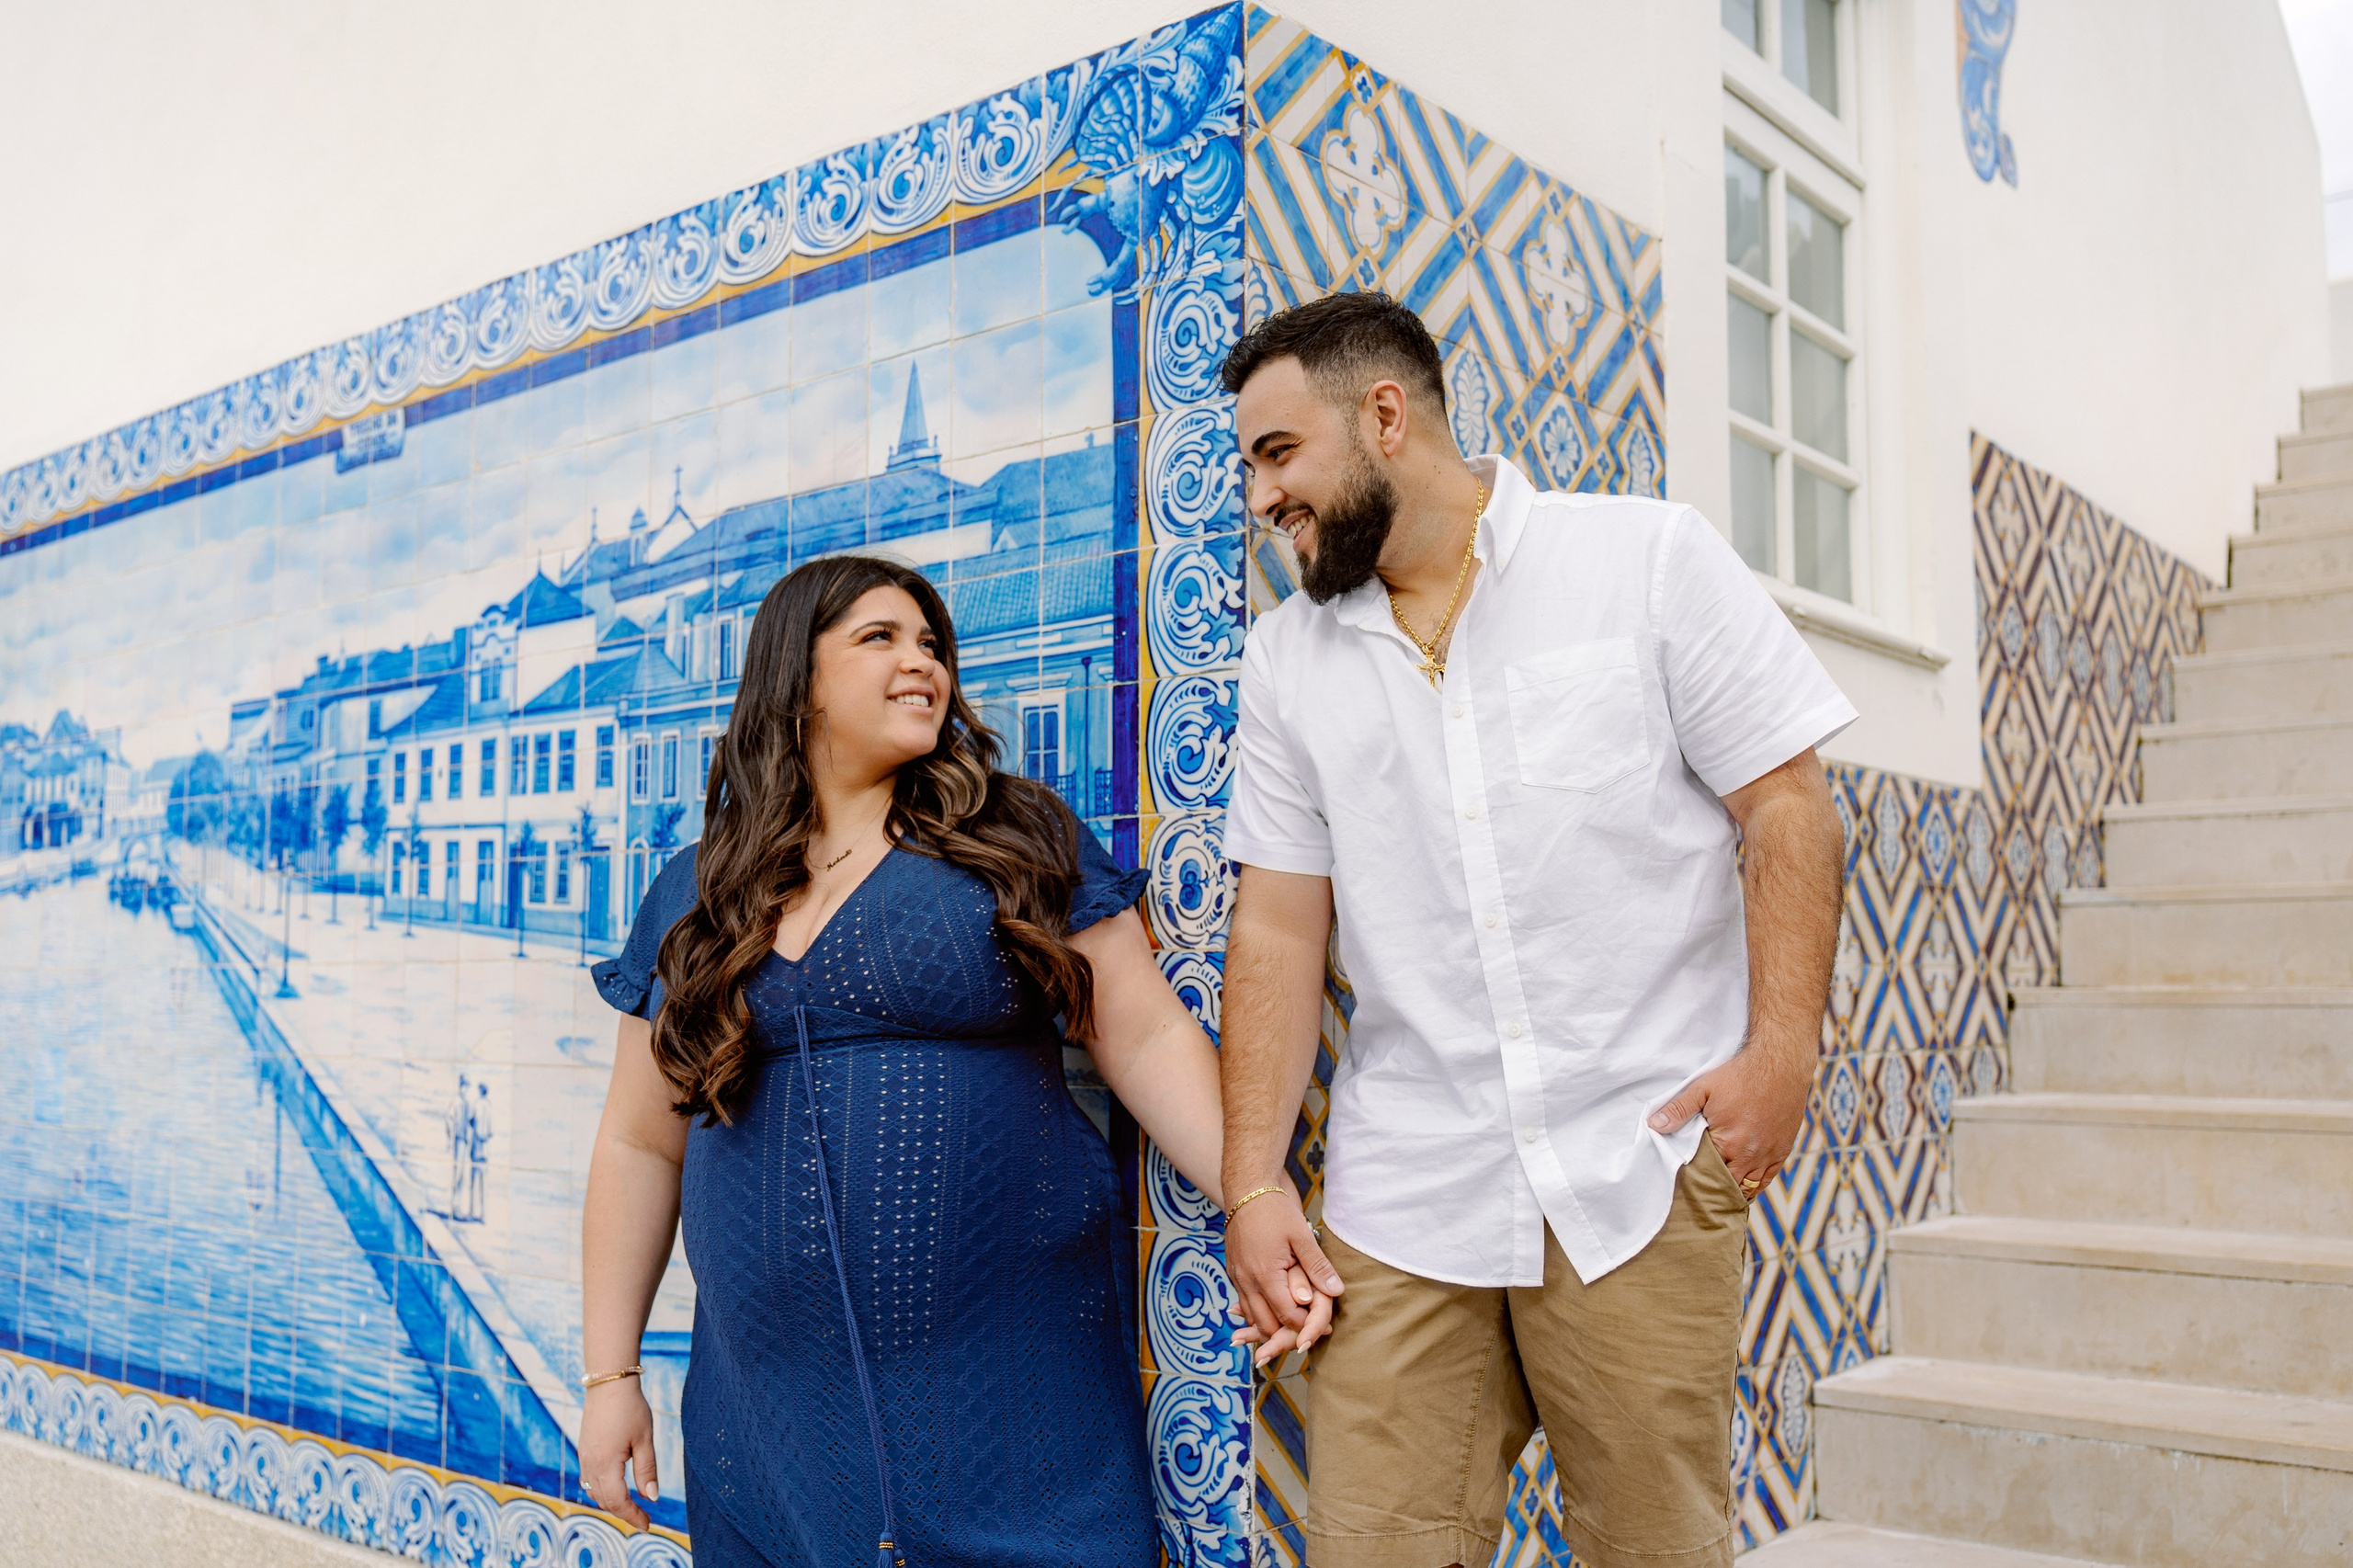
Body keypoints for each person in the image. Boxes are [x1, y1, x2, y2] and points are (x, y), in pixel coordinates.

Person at [1216, 292, 1854, 1568]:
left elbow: (1786, 807)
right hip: (1408, 1193)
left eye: (1279, 454)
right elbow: (1279, 927)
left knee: (1652, 1547)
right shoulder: (1288, 660)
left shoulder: (1646, 560)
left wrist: (1781, 1054)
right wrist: (1251, 1178)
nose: (1261, 497)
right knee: (1374, 1546)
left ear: (1385, 415)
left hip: (1640, 1166)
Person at [576, 554, 1277, 1566]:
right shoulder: (698, 889)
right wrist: (611, 1377)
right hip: (766, 1434)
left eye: (933, 645)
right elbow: (638, 1142)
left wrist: (1252, 1192)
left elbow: (1146, 1032)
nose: (924, 664)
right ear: (796, 677)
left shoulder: (1013, 836)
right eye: (880, 639)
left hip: (1015, 1415)